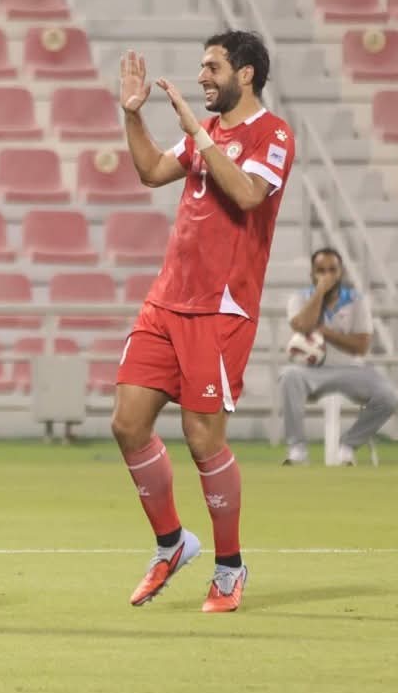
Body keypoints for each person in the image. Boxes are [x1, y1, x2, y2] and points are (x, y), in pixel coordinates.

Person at [112, 32, 292, 614]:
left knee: (202, 439)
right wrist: (132, 115)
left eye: (213, 67)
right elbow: (150, 171)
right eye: (201, 67)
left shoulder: (273, 134)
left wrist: (197, 132)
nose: (202, 77)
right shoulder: (206, 132)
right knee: (127, 423)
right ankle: (171, 543)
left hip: (220, 308)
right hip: (167, 300)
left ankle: (229, 567)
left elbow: (248, 195)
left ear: (246, 73)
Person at [278, 248, 398, 466]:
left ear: (341, 272)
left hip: (352, 368)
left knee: (390, 396)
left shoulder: (357, 300)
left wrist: (325, 332)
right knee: (289, 375)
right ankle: (297, 449)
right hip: (311, 371)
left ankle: (348, 446)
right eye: (320, 270)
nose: (326, 275)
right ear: (312, 274)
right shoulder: (299, 298)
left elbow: (361, 346)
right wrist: (319, 292)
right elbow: (302, 326)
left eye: (332, 270)